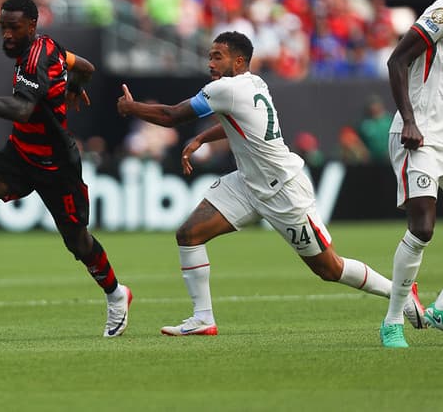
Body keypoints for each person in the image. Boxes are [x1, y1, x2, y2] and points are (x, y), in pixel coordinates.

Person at [116, 31, 424, 337]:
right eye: (210, 56)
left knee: (329, 269)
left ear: (238, 61)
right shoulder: (254, 82)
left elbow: (171, 115)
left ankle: (402, 294)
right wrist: (200, 137)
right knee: (189, 234)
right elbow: (238, 124)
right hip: (248, 184)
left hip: (282, 191)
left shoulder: (225, 89)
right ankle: (202, 318)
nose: (210, 62)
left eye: (217, 56)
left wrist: (132, 109)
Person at [0, 0, 132, 338]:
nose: (6, 34)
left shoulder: (36, 58)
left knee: (78, 243)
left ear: (32, 26)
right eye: (3, 27)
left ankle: (116, 295)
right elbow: (85, 66)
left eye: (14, 27)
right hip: (20, 154)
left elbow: (22, 110)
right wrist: (75, 86)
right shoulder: (49, 48)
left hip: (56, 165)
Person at [381, 0, 443, 348]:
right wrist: (408, 119)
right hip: (419, 133)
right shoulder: (440, 12)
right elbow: (396, 60)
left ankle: (440, 309)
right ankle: (391, 321)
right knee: (422, 227)